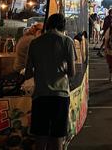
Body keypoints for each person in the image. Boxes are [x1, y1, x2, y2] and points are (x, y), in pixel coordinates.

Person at [25, 14, 75, 150]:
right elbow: (72, 72)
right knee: (57, 137)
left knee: (40, 137)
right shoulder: (67, 41)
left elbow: (28, 72)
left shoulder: (35, 43)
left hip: (40, 95)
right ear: (63, 25)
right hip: (60, 95)